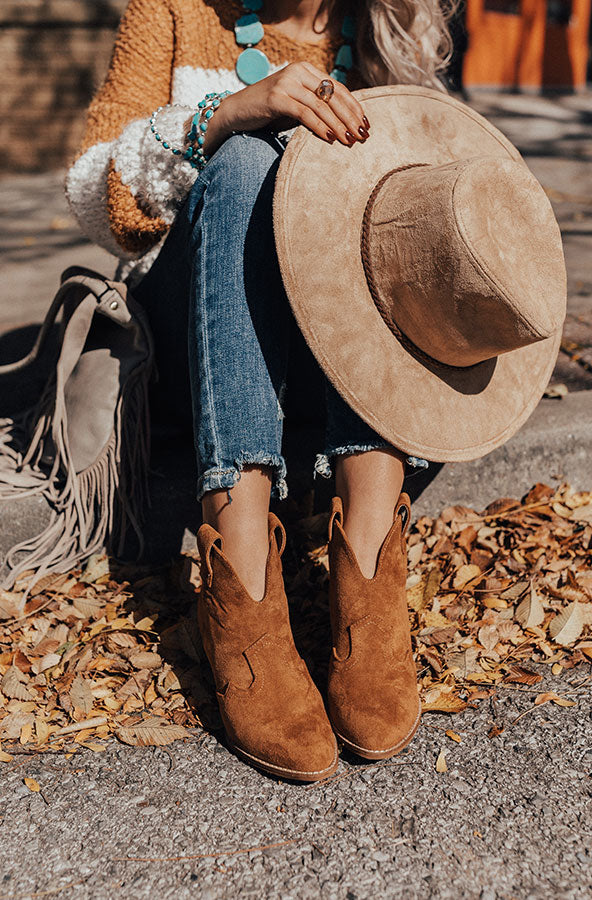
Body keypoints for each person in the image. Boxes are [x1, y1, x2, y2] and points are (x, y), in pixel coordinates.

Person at [66, 0, 456, 780]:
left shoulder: (380, 30)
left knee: (371, 186)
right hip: (194, 335)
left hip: (326, 355)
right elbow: (94, 193)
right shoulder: (173, 9)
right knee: (245, 163)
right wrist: (225, 113)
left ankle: (370, 568)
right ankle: (239, 573)